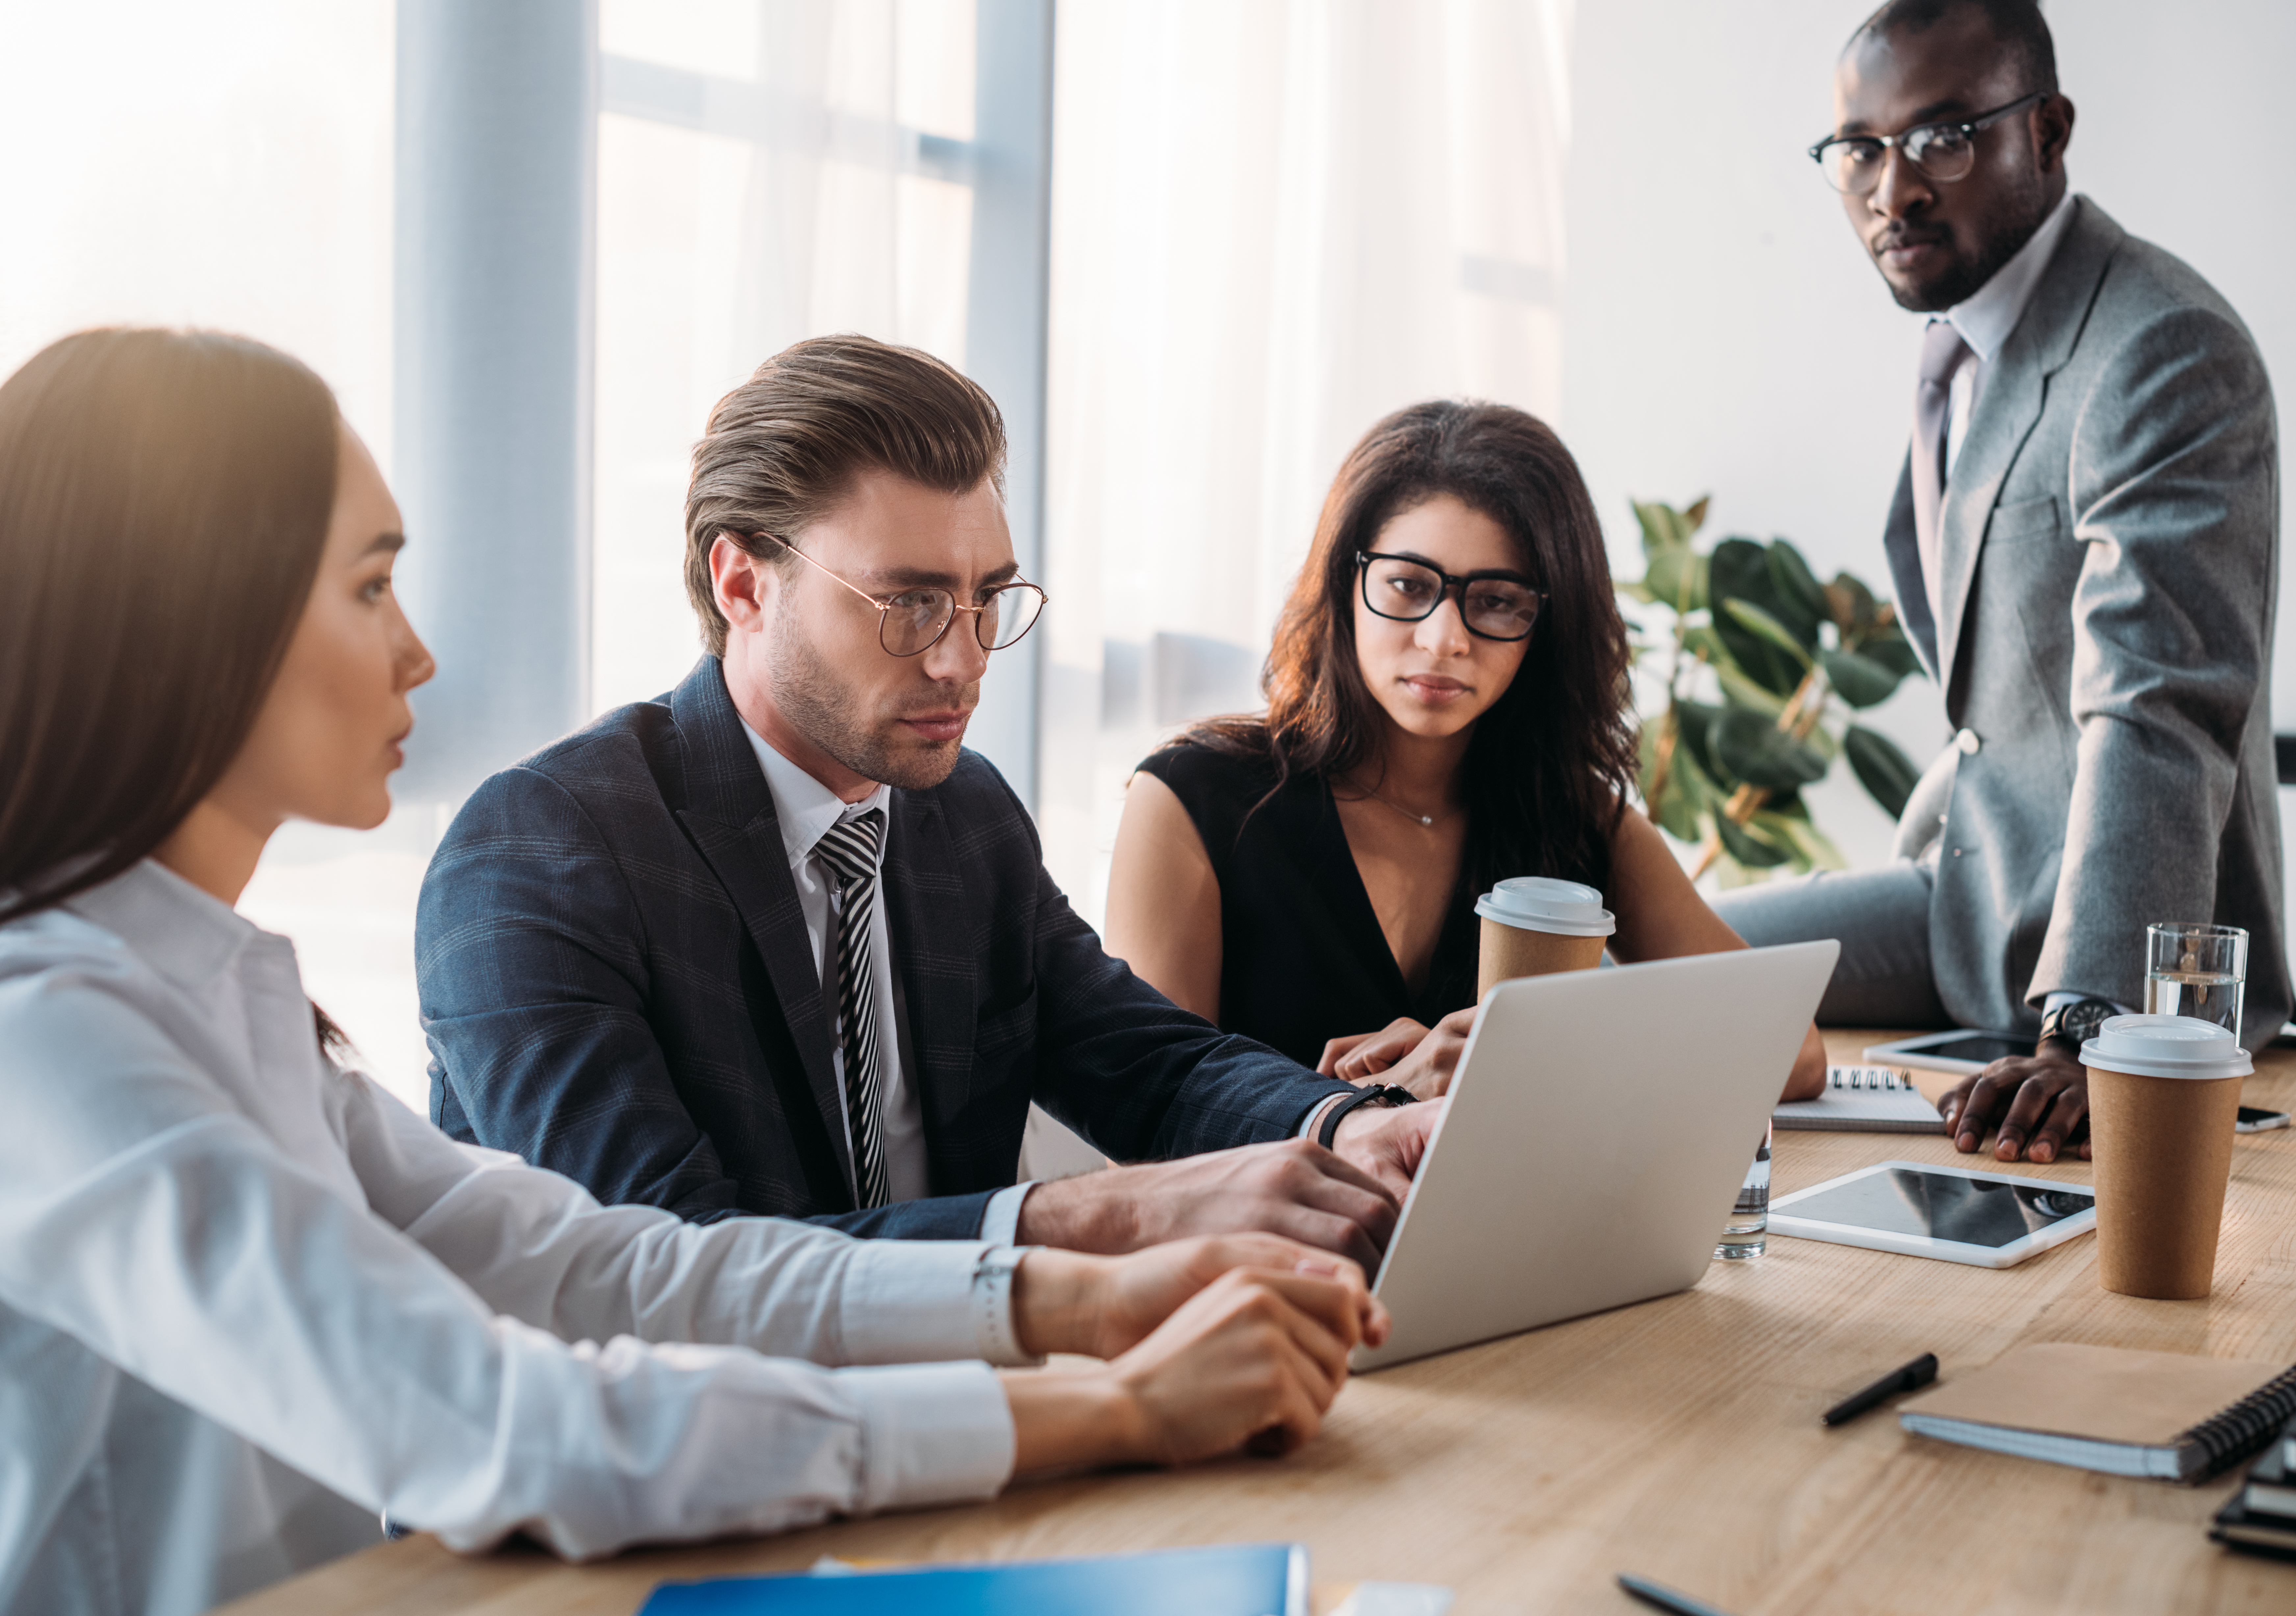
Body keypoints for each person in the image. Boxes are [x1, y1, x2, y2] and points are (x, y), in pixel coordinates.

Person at [0, 328, 1388, 1616]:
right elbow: (518, 1419)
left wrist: (1071, 1286)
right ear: (182, 617)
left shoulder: (230, 1004)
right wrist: (1118, 1400)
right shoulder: (52, 1036)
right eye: (370, 586)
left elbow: (612, 1269)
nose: (419, 649)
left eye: (983, 602)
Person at [416, 335, 1437, 1270]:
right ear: (743, 584)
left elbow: (1145, 1063)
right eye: (908, 604)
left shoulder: (963, 814)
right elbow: (664, 1268)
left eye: (987, 597)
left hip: (970, 1398)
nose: (963, 660)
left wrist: (1355, 1126)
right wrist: (1098, 1219)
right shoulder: (542, 851)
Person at [1713, 0, 2293, 1163]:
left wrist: (2094, 1028)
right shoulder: (1962, 350)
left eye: (1944, 137)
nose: (1895, 188)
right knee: (1658, 961)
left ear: (2051, 131)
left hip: (2108, 958)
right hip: (1961, 902)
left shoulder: (2160, 348)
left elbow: (2156, 703)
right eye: (1859, 149)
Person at [1104, 400, 1827, 1103]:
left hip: (1506, 1228)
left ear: (1547, 626)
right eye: (1407, 585)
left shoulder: (1572, 818)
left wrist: (1538, 1060)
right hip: (1265, 1230)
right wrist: (1365, 1107)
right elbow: (1141, 1134)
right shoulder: (1191, 798)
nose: (1443, 637)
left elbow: (1795, 1052)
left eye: (1496, 600)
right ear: (1344, 586)